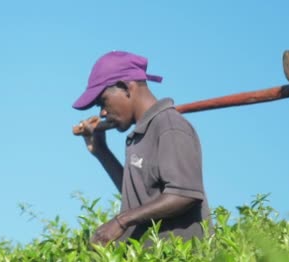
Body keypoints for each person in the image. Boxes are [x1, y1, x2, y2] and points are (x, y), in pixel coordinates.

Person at [73, 51, 211, 246]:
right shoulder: (140, 135)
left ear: (125, 87)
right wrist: (101, 151)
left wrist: (121, 221)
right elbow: (140, 199)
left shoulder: (169, 126)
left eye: (103, 102)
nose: (103, 113)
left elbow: (185, 194)